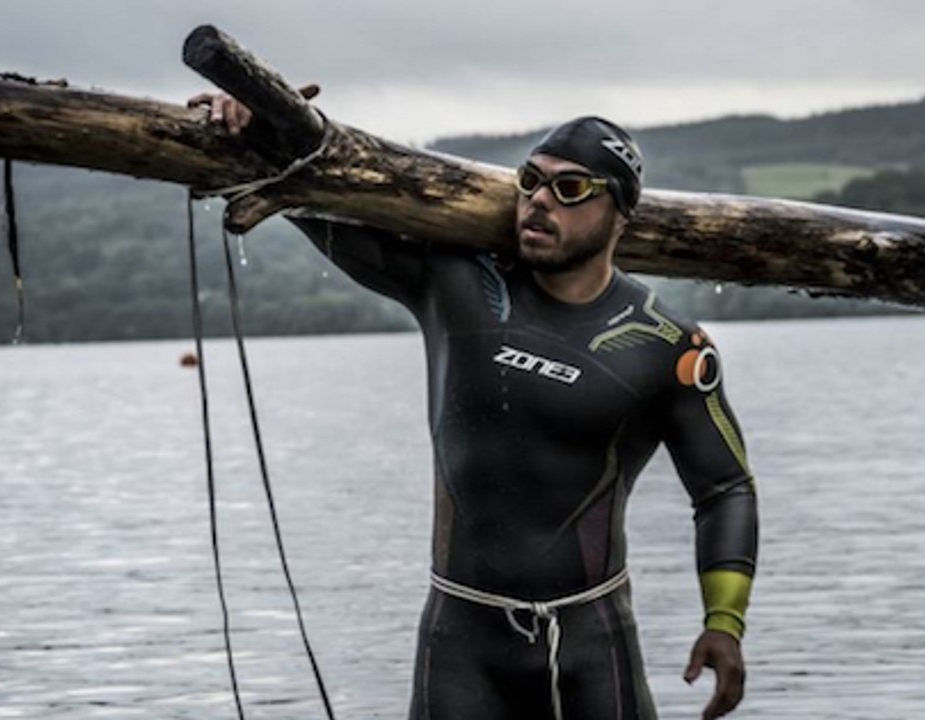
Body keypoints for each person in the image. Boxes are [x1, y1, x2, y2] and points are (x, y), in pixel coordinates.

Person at [189, 87, 759, 720]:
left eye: (571, 189)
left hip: (593, 648)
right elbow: (303, 196)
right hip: (462, 645)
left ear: (619, 213)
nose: (541, 200)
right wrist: (260, 125)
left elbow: (724, 488)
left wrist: (725, 623)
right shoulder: (454, 284)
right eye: (530, 181)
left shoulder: (666, 347)